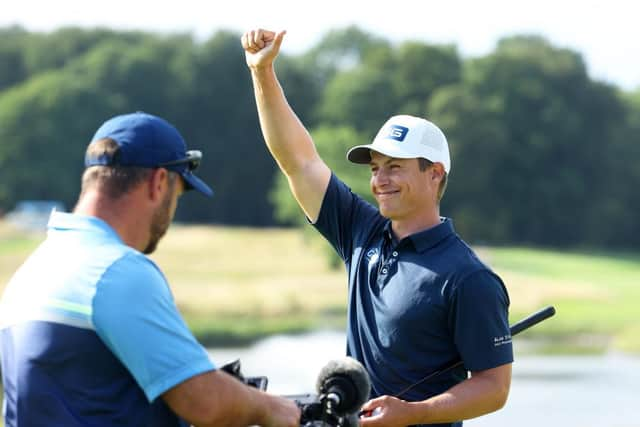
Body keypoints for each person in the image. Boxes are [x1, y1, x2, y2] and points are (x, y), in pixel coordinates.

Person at [241, 29, 513, 427]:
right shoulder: (360, 232)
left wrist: (411, 414)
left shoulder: (468, 277)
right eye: (375, 168)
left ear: (434, 174)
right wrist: (262, 71)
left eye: (395, 167)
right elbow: (298, 161)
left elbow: (493, 386)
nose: (380, 180)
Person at [0, 112, 300, 427]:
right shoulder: (115, 270)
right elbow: (206, 403)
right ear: (159, 183)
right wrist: (275, 408)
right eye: (177, 195)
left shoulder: (31, 272)